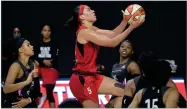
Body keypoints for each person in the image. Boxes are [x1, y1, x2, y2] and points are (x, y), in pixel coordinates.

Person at [66, 4, 144, 108]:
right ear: (82, 16)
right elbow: (112, 43)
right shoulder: (84, 32)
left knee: (123, 91)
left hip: (92, 76)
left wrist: (125, 20)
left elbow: (113, 34)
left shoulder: (91, 28)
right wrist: (131, 27)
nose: (93, 10)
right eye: (89, 10)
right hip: (82, 81)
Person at [3, 38, 41, 108]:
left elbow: (37, 90)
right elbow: (6, 89)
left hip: (28, 103)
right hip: (15, 104)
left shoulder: (34, 64)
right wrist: (26, 82)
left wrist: (29, 100)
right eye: (28, 45)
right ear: (20, 50)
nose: (32, 46)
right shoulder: (15, 66)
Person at [106, 40, 141, 107]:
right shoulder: (114, 66)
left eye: (128, 47)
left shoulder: (132, 65)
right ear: (119, 50)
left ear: (132, 51)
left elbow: (138, 84)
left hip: (123, 97)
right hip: (113, 97)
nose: (124, 48)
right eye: (122, 46)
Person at [34, 24, 59, 108]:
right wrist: (43, 60)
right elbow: (34, 56)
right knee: (33, 67)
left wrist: (41, 61)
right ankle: (40, 94)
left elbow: (53, 60)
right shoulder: (38, 44)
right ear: (41, 32)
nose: (47, 32)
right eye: (45, 30)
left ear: (51, 32)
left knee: (49, 91)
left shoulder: (54, 44)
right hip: (40, 68)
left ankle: (44, 100)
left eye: (48, 30)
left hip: (50, 69)